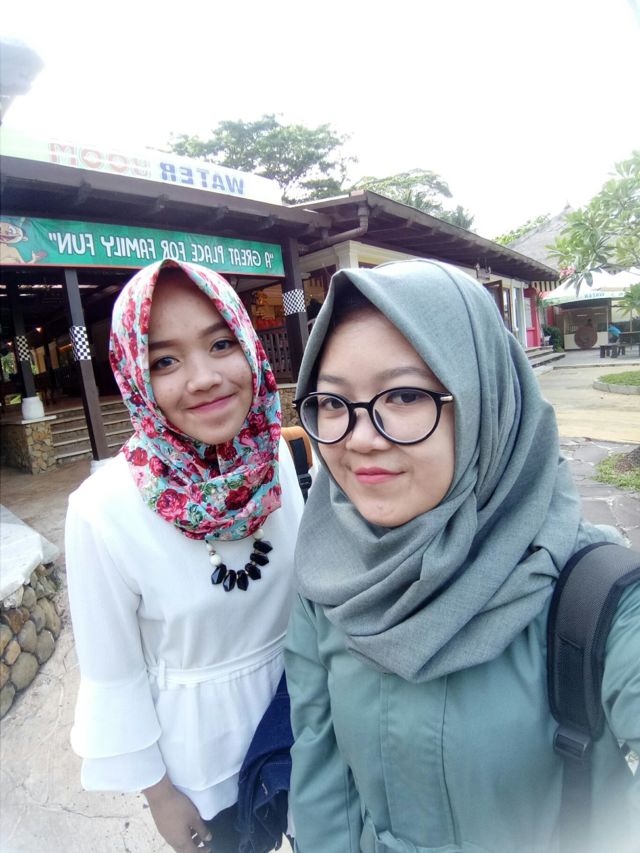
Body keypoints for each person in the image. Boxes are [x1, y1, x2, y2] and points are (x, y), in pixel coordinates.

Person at [284, 260, 639, 853]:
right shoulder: (329, 576)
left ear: (484, 403)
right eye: (332, 402)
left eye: (403, 395)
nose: (360, 438)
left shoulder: (597, 596)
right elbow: (320, 770)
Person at [65, 259, 304, 852]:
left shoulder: (278, 459)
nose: (203, 378)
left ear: (249, 345)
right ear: (133, 375)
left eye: (221, 344)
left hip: (309, 723)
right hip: (205, 769)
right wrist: (160, 795)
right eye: (164, 361)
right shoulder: (103, 509)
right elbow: (113, 674)